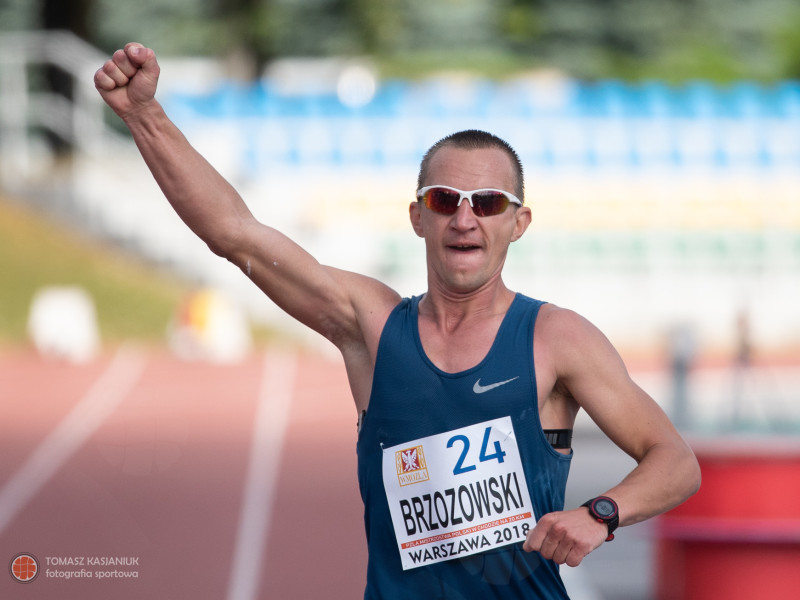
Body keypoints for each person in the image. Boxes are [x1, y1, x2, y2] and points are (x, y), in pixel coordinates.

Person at [95, 43, 701, 599]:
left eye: (489, 203)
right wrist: (144, 116)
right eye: (445, 200)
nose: (465, 219)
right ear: (418, 217)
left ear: (519, 223)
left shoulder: (556, 339)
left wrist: (600, 514)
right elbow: (234, 233)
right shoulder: (372, 326)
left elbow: (674, 461)